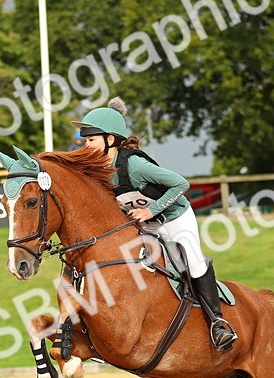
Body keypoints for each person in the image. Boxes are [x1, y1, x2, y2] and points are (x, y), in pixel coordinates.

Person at [71, 97, 236, 351]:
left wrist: (151, 209)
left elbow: (181, 184)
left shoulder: (134, 165)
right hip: (145, 226)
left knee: (192, 260)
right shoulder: (98, 169)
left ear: (110, 140)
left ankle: (218, 323)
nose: (85, 145)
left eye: (90, 140)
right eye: (85, 140)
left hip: (175, 217)